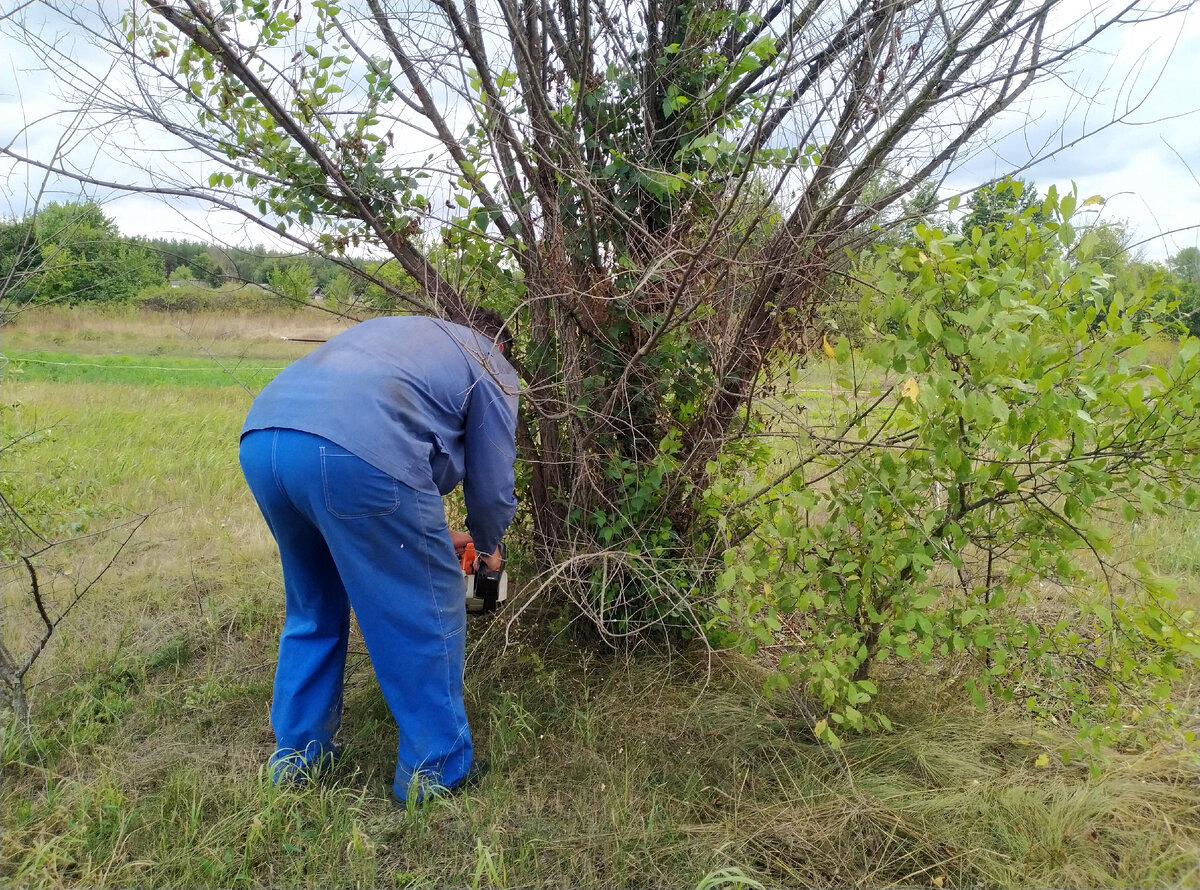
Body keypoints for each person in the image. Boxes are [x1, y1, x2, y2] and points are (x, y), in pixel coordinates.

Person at [238, 310, 518, 803]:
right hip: (354, 453)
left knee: (313, 608)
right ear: (502, 347)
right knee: (423, 615)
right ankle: (436, 773)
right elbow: (492, 488)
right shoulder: (488, 360)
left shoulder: (408, 335)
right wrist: (489, 546)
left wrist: (433, 534)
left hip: (266, 441)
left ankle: (299, 759)